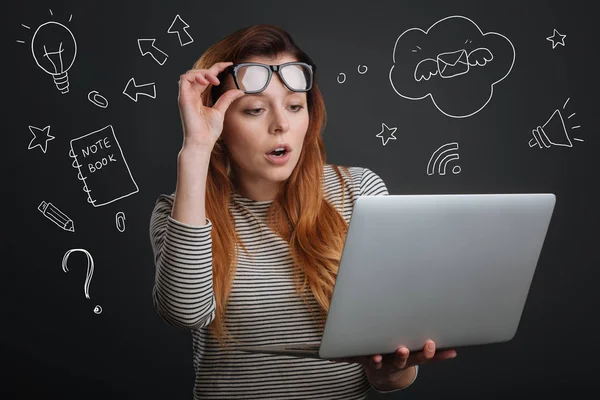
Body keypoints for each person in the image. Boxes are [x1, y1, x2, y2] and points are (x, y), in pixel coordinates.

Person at [149, 24, 457, 399]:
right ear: (219, 122)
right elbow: (185, 312)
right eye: (255, 110)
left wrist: (396, 369)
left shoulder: (360, 192)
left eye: (295, 106)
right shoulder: (181, 211)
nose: (281, 124)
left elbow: (387, 376)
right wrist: (196, 148)